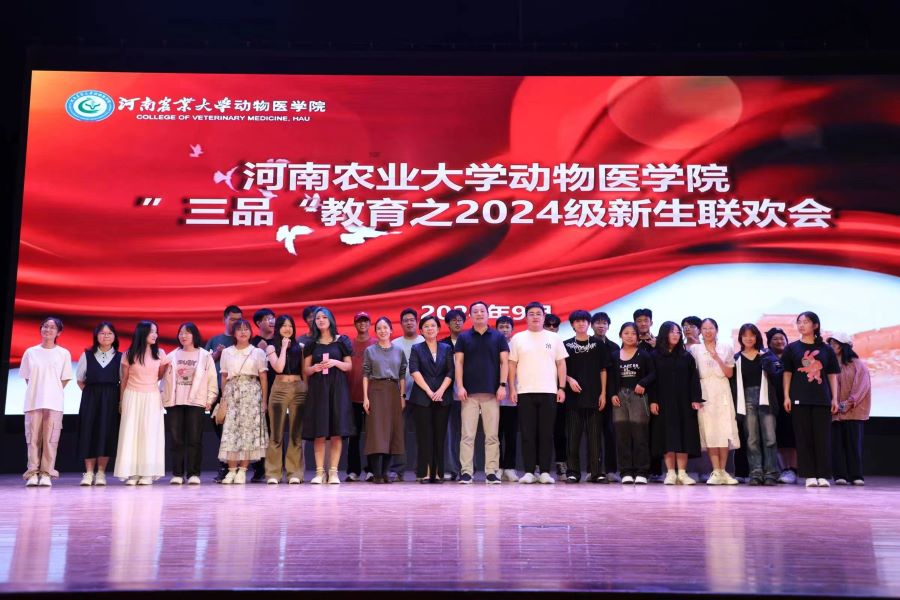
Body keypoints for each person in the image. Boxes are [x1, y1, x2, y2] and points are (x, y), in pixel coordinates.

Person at [509, 301, 568, 484]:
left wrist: (561, 388)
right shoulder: (518, 338)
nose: (535, 317)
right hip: (524, 391)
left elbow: (561, 363)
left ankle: (544, 472)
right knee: (527, 434)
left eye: (538, 314)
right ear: (526, 317)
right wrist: (512, 388)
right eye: (531, 314)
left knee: (546, 433)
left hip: (549, 391)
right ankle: (528, 471)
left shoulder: (554, 338)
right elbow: (512, 365)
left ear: (543, 317)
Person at [782, 311, 840, 488]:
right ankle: (809, 475)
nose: (801, 325)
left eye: (805, 322)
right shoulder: (792, 348)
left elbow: (832, 375)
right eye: (799, 322)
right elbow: (787, 373)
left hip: (822, 399)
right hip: (799, 398)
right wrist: (787, 396)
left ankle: (823, 475)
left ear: (815, 325)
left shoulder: (826, 349)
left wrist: (835, 398)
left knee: (822, 438)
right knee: (803, 438)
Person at [455, 301, 510, 484]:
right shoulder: (464, 337)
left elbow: (504, 362)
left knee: (492, 436)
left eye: (482, 311)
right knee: (467, 435)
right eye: (475, 311)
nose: (479, 314)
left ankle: (491, 471)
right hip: (468, 394)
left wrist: (502, 385)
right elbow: (459, 363)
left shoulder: (498, 337)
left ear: (488, 314)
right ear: (470, 316)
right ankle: (466, 472)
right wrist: (460, 386)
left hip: (491, 394)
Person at [162, 322, 218, 485]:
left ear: (194, 335)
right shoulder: (171, 356)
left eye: (187, 332)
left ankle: (193, 473)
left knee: (194, 439)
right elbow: (164, 380)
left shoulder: (205, 356)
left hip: (196, 401)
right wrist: (163, 397)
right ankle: (177, 474)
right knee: (176, 440)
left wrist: (210, 399)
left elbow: (212, 379)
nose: (183, 336)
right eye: (181, 333)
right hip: (174, 402)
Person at [302, 307, 353, 484]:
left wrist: (335, 362)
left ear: (331, 319)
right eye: (318, 318)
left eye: (324, 317)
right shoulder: (312, 344)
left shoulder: (341, 341)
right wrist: (314, 368)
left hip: (337, 389)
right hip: (318, 390)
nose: (321, 320)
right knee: (320, 431)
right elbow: (306, 370)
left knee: (337, 431)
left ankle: (333, 472)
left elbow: (349, 366)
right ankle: (319, 472)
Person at [21, 317, 73, 487]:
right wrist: (38, 391)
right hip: (33, 401)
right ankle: (32, 473)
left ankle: (46, 473)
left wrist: (52, 392)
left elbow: (65, 378)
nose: (48, 330)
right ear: (41, 329)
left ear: (59, 332)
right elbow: (27, 377)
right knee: (33, 439)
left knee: (51, 440)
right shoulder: (30, 352)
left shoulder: (63, 353)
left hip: (54, 403)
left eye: (52, 327)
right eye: (45, 326)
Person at [650, 321, 702, 485]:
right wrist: (653, 400)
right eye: (672, 332)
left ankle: (683, 473)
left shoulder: (686, 356)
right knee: (667, 436)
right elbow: (652, 380)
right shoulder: (655, 356)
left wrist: (695, 399)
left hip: (684, 402)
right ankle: (671, 473)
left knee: (684, 436)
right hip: (663, 402)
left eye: (678, 332)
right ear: (664, 334)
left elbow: (694, 379)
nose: (676, 335)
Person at [115, 320, 167, 485]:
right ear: (142, 333)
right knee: (131, 434)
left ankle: (147, 473)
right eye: (152, 331)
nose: (155, 335)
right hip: (132, 396)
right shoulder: (129, 354)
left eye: (156, 332)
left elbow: (160, 375)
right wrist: (122, 401)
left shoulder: (160, 354)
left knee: (149, 434)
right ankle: (133, 473)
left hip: (151, 396)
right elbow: (124, 379)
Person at [218, 319, 269, 484]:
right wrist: (223, 398)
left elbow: (263, 377)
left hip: (252, 393)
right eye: (239, 329)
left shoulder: (257, 352)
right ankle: (232, 470)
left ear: (251, 332)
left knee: (248, 432)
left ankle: (243, 470)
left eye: (246, 329)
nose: (243, 332)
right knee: (231, 431)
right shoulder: (227, 352)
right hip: (232, 393)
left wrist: (264, 401)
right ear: (234, 333)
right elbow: (224, 376)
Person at [690, 318, 740, 486]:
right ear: (700, 331)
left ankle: (723, 471)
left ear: (716, 330)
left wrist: (717, 357)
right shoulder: (695, 349)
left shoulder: (726, 347)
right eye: (704, 328)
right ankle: (716, 471)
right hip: (704, 391)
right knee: (710, 431)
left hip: (722, 390)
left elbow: (729, 374)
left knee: (724, 430)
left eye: (711, 328)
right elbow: (692, 374)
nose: (708, 331)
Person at [563, 310, 609, 483]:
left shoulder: (598, 344)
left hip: (594, 396)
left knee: (595, 437)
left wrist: (603, 393)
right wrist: (569, 379)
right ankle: (573, 472)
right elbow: (559, 369)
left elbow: (603, 369)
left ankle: (596, 472)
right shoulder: (566, 345)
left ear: (589, 324)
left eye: (584, 321)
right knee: (573, 437)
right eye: (577, 321)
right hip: (573, 398)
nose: (581, 324)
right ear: (572, 325)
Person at [75, 321, 121, 487]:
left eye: (109, 333)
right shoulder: (87, 355)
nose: (105, 336)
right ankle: (88, 473)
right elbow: (80, 379)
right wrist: (91, 395)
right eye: (102, 333)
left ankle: (101, 473)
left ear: (114, 336)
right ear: (96, 336)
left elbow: (123, 380)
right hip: (91, 398)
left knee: (106, 434)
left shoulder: (120, 356)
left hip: (111, 398)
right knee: (89, 432)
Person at [409, 315, 454, 484]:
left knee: (439, 436)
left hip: (443, 398)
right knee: (424, 436)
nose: (430, 329)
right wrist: (429, 391)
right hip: (422, 398)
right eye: (426, 326)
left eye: (433, 325)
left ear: (438, 329)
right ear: (421, 330)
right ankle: (425, 472)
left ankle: (439, 473)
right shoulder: (416, 348)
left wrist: (441, 390)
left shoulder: (446, 348)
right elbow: (414, 370)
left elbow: (451, 371)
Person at [733, 324, 779, 486]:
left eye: (752, 335)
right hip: (746, 399)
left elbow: (777, 373)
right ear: (740, 338)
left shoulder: (766, 354)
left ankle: (771, 473)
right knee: (751, 438)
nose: (748, 338)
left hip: (765, 398)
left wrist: (768, 362)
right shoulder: (737, 358)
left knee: (770, 437)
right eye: (745, 335)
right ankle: (756, 473)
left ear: (757, 337)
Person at [610, 322, 655, 484]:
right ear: (620, 335)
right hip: (620, 397)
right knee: (622, 436)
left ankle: (642, 472)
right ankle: (626, 472)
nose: (630, 336)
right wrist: (612, 394)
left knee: (640, 434)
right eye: (626, 333)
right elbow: (610, 378)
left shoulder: (644, 355)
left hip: (638, 397)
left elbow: (653, 373)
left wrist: (642, 383)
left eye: (633, 333)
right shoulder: (614, 355)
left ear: (638, 336)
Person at [363, 317, 407, 484]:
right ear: (375, 332)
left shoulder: (399, 351)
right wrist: (365, 397)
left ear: (391, 330)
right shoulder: (370, 351)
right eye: (379, 328)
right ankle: (377, 473)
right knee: (376, 433)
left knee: (391, 432)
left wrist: (402, 396)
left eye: (385, 328)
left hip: (393, 391)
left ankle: (385, 472)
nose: (382, 331)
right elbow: (365, 374)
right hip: (376, 390)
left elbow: (402, 375)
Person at [264, 315, 307, 484]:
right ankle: (273, 473)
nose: (287, 329)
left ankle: (294, 473)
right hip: (279, 389)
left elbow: (304, 371)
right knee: (276, 434)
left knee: (296, 434)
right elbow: (279, 367)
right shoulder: (271, 347)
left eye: (290, 326)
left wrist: (306, 388)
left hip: (298, 389)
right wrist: (283, 348)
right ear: (278, 328)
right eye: (284, 326)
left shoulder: (300, 347)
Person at [205, 305, 243, 482]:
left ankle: (239, 468)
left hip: (239, 391)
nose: (236, 323)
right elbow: (204, 364)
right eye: (232, 319)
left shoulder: (243, 339)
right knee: (220, 428)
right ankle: (224, 466)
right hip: (219, 391)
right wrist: (217, 354)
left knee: (237, 430)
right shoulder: (215, 340)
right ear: (224, 319)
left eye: (239, 319)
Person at [828, 332, 871, 486]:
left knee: (853, 445)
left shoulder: (857, 364)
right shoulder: (828, 364)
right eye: (831, 343)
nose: (832, 346)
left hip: (853, 412)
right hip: (834, 412)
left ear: (843, 346)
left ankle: (856, 475)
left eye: (835, 343)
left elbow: (861, 387)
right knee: (836, 445)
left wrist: (847, 404)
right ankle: (839, 475)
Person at [390, 308, 424, 481]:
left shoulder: (425, 341)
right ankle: (397, 470)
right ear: (401, 323)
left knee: (422, 433)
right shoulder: (394, 344)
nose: (409, 323)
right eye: (406, 320)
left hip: (422, 396)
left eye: (412, 320)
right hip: (400, 396)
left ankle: (421, 470)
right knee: (398, 433)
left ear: (417, 322)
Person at [765, 328, 796, 483]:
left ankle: (793, 470)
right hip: (772, 403)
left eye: (782, 338)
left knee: (792, 439)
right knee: (777, 439)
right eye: (775, 339)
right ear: (769, 342)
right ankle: (783, 469)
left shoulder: (792, 356)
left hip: (791, 403)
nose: (779, 341)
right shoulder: (765, 358)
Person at [347, 312, 375, 482]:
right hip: (351, 397)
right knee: (353, 436)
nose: (362, 324)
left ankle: (371, 470)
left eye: (365, 321)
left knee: (372, 435)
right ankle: (353, 470)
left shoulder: (375, 343)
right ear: (355, 324)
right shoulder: (349, 344)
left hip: (371, 398)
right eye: (359, 321)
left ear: (369, 324)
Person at [249, 307, 276, 481]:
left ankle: (275, 466)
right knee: (258, 430)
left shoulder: (280, 341)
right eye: (267, 318)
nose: (272, 321)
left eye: (273, 318)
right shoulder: (252, 343)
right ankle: (259, 468)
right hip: (257, 392)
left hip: (278, 389)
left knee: (275, 429)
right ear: (259, 323)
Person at [592, 311, 619, 482]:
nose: (601, 326)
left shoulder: (615, 347)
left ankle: (611, 470)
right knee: (593, 434)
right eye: (598, 322)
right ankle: (593, 470)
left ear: (608, 326)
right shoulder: (586, 344)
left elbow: (616, 373)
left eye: (604, 323)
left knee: (610, 433)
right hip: (590, 395)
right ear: (592, 325)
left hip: (610, 396)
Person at [441, 309, 466, 481]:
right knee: (449, 434)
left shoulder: (469, 341)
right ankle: (452, 468)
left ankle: (467, 468)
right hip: (448, 394)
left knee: (467, 433)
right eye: (454, 320)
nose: (457, 323)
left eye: (460, 320)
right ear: (447, 324)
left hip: (467, 395)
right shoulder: (442, 345)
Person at [495, 315, 518, 482]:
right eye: (501, 327)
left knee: (511, 434)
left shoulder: (516, 346)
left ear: (512, 329)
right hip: (495, 397)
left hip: (513, 397)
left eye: (507, 327)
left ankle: (510, 467)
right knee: (495, 435)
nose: (504, 330)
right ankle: (497, 467)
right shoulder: (492, 345)